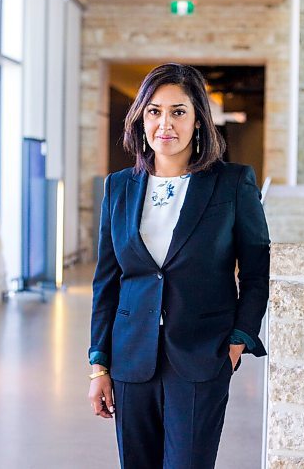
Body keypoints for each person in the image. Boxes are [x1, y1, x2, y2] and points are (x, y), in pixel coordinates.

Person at [88, 63, 270, 469]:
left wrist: (239, 339)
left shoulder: (233, 183)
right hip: (131, 359)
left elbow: (257, 271)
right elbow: (107, 281)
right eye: (154, 111)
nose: (165, 123)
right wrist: (98, 364)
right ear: (140, 119)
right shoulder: (118, 187)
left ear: (199, 121)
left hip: (202, 356)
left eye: (178, 111)